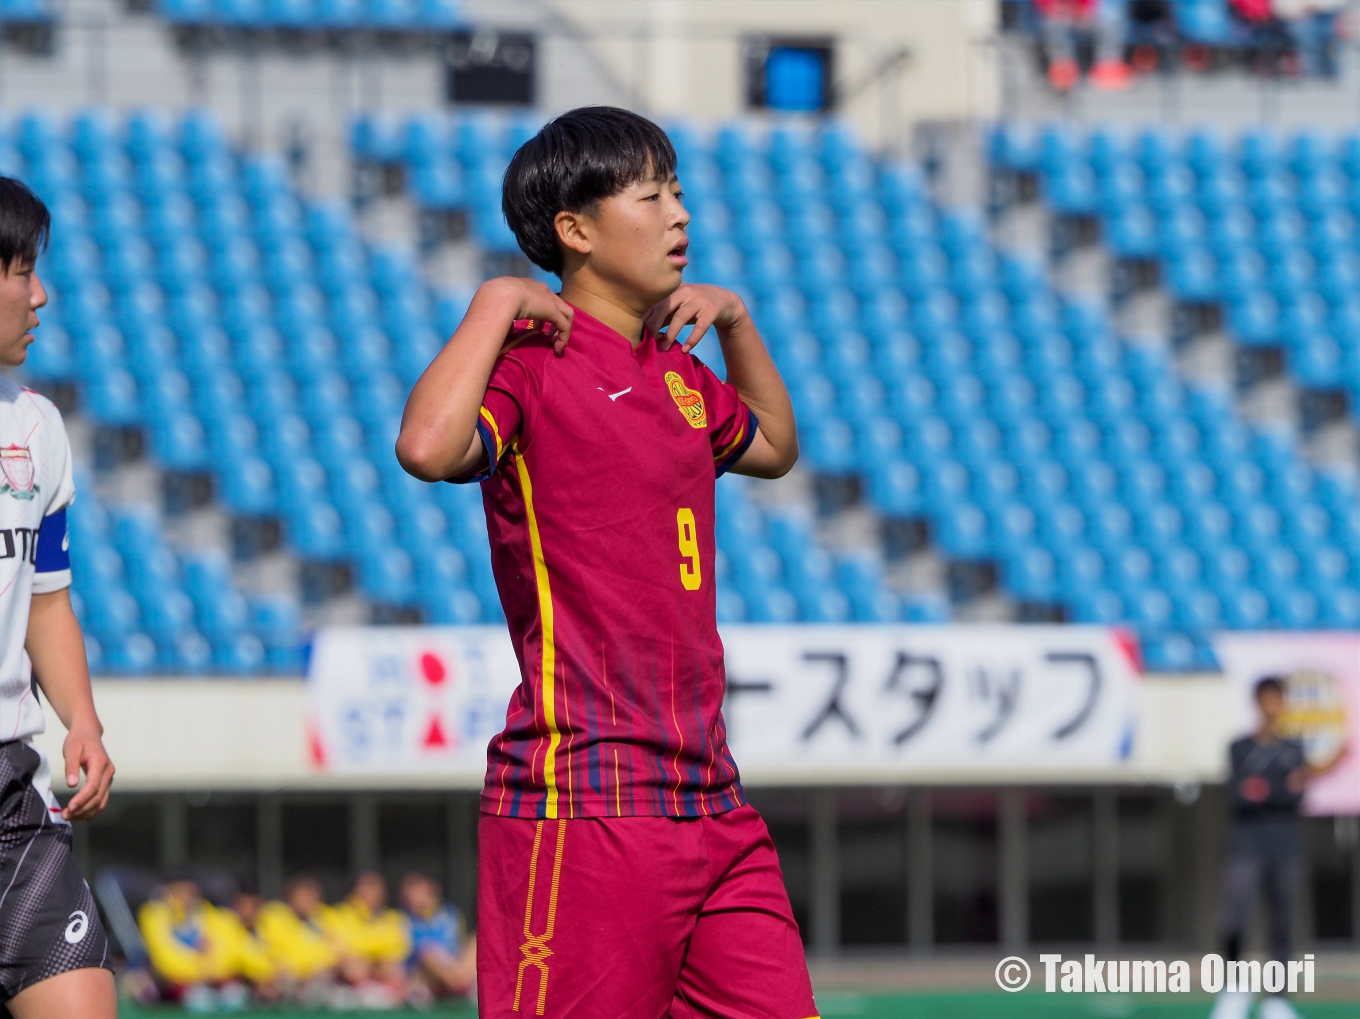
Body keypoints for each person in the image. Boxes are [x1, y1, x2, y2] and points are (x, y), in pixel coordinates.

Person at [397, 107, 810, 1018]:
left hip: (712, 798)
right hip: (584, 799)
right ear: (575, 231)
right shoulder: (532, 363)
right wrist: (496, 301)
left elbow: (776, 445)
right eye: (651, 193)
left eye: (679, 191)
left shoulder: (679, 370)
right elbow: (428, 446)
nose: (679, 215)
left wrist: (737, 320)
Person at [0, 175, 116, 1019]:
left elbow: (47, 601)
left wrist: (82, 718)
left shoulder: (37, 426)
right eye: (22, 271)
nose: (41, 294)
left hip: (12, 788)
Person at [1209, 676, 1347, 1019]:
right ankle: (1234, 989)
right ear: (1258, 703)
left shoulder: (1293, 749)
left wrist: (1270, 791)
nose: (1273, 708)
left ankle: (1276, 998)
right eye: (1267, 700)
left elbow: (1294, 794)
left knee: (1283, 921)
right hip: (1246, 843)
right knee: (1234, 916)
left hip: (1285, 844)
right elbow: (1241, 793)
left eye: (1278, 701)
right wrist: (1274, 790)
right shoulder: (1240, 747)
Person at [137, 875, 250, 1012]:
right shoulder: (155, 915)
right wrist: (202, 970)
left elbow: (229, 954)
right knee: (200, 1000)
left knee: (234, 996)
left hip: (211, 983)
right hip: (174, 985)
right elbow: (166, 962)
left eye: (191, 892)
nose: (187, 897)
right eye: (181, 892)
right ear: (168, 891)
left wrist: (213, 972)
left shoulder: (210, 916)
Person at [316, 870, 411, 1002]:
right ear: (354, 890)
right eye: (368, 886)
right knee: (353, 968)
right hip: (348, 972)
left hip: (380, 969)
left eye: (377, 887)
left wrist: (373, 962)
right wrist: (370, 958)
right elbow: (338, 950)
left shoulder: (394, 918)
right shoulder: (337, 915)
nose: (374, 892)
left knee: (394, 970)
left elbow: (397, 949)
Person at [256, 874, 340, 995]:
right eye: (301, 897)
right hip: (284, 978)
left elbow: (335, 950)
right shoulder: (275, 916)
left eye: (310, 897)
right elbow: (270, 951)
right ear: (290, 897)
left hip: (316, 979)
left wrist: (315, 970)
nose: (305, 902)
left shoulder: (325, 919)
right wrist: (296, 972)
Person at [398, 871, 474, 1002]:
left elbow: (458, 945)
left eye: (419, 889)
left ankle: (460, 982)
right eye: (411, 891)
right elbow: (414, 953)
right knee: (428, 953)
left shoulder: (451, 914)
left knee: (476, 940)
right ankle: (459, 985)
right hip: (422, 973)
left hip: (453, 965)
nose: (415, 895)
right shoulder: (401, 919)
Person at [1035, 0, 1133, 90]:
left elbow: (1089, 6)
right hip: (1058, 15)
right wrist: (1056, 8)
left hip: (1083, 15)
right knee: (1053, 24)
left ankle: (1107, 67)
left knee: (1110, 20)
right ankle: (1063, 69)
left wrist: (1083, 10)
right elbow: (1044, 5)